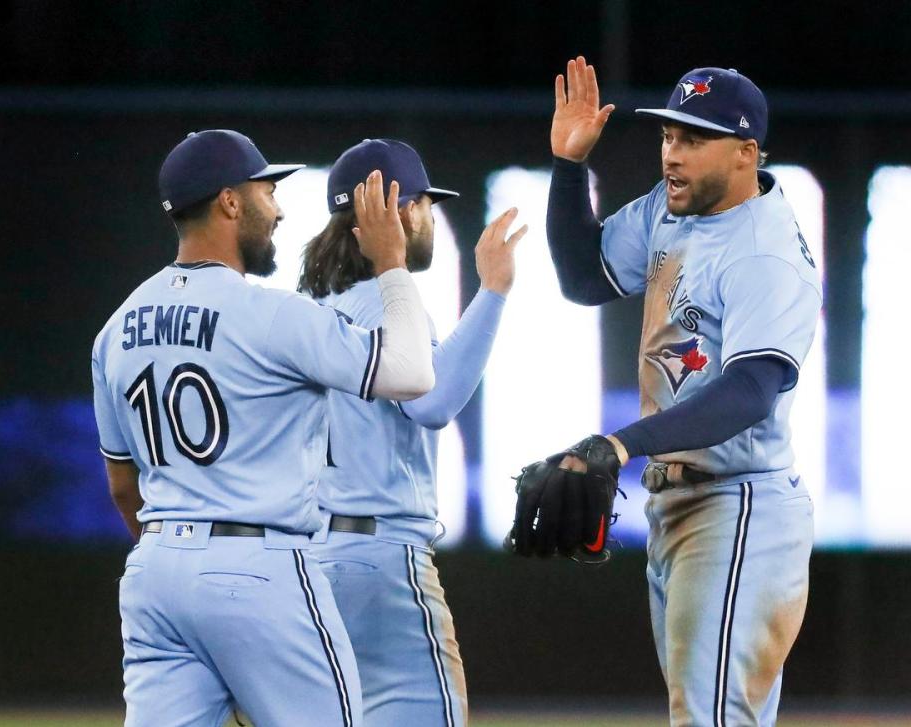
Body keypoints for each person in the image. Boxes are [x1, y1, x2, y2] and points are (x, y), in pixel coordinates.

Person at [91, 128, 436, 727]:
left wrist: (183, 557)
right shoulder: (272, 315)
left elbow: (123, 486)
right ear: (230, 201)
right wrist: (391, 263)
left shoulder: (116, 328)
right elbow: (411, 372)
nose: (277, 210)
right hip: (258, 565)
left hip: (156, 572)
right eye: (266, 191)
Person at [543, 58, 822, 726]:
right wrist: (568, 166)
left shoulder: (764, 251)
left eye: (693, 139)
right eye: (669, 135)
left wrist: (622, 443)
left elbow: (749, 391)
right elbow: (584, 277)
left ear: (746, 152)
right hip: (681, 507)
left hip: (739, 507)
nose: (672, 153)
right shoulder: (673, 212)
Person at [299, 138, 526, 727]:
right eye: (425, 203)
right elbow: (432, 403)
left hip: (310, 558)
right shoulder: (388, 303)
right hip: (380, 556)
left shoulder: (312, 308)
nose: (429, 218)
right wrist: (493, 291)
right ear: (399, 209)